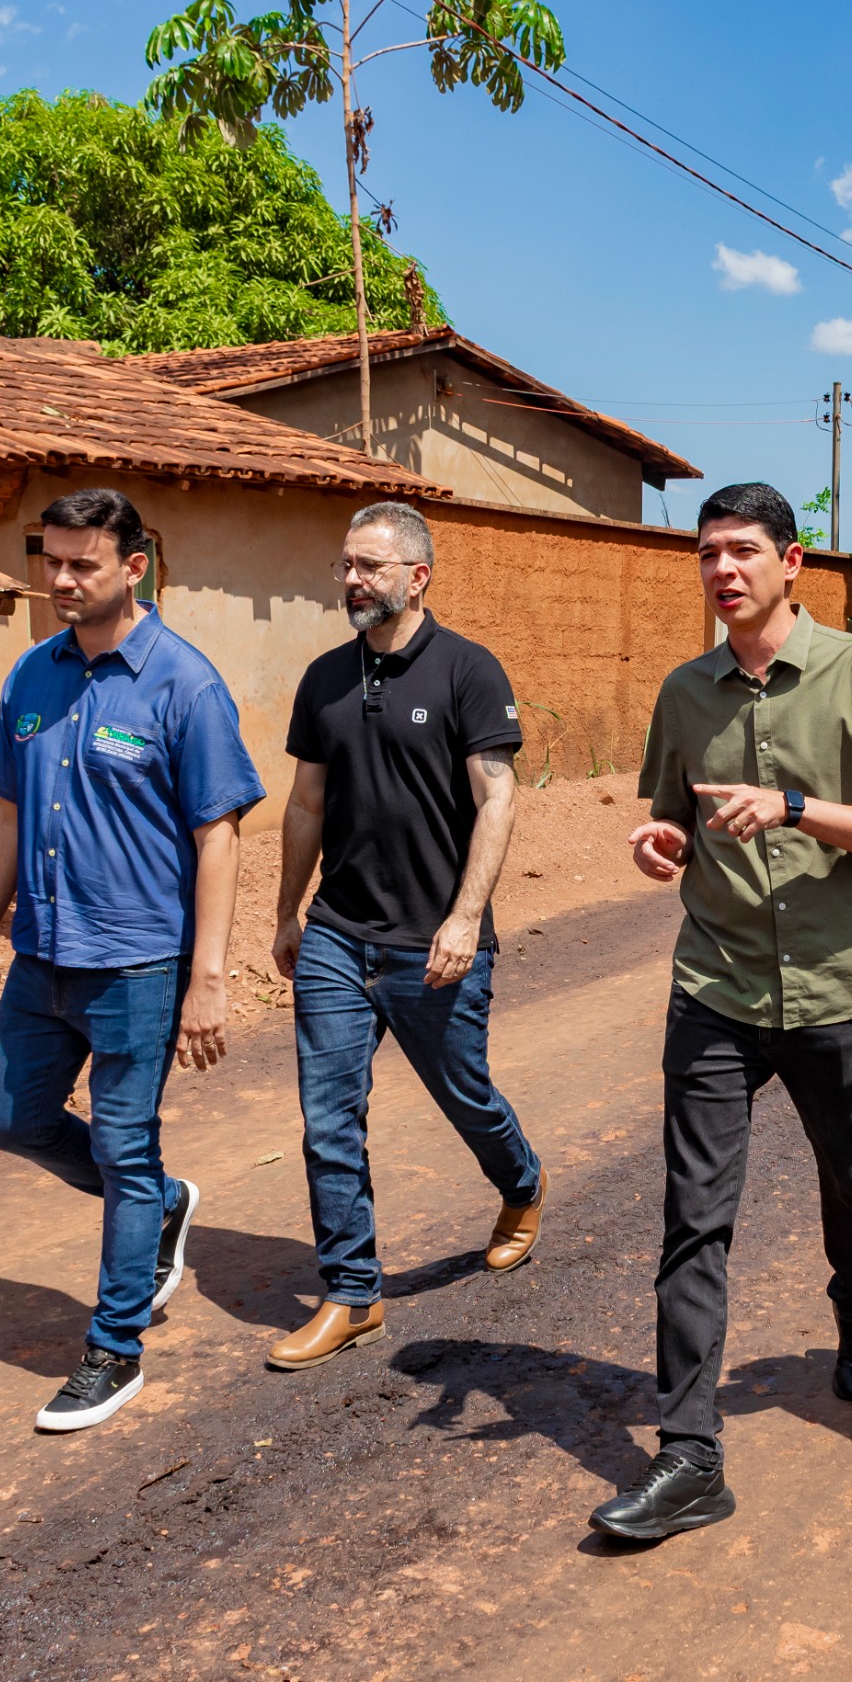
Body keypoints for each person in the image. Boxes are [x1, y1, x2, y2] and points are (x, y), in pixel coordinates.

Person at [588, 481, 852, 1542]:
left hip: (834, 983)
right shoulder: (685, 692)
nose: (722, 570)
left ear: (795, 561)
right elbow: (668, 826)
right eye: (707, 553)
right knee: (693, 1214)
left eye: (742, 550)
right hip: (716, 985)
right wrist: (660, 848)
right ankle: (690, 1452)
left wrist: (791, 803)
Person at [0, 487, 265, 1433]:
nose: (59, 580)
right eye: (49, 560)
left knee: (125, 1142)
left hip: (138, 962)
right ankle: (164, 1206)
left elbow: (219, 835)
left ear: (135, 567)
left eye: (81, 564)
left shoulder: (184, 684)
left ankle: (114, 1346)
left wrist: (208, 977)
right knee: (13, 1122)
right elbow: (9, 811)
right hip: (44, 954)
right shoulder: (31, 676)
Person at [265, 501, 545, 1372]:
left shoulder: (467, 671)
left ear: (417, 576)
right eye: (346, 563)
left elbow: (496, 797)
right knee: (328, 1117)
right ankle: (352, 1293)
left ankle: (521, 1184)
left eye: (370, 567)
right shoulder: (324, 678)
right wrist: (286, 912)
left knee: (462, 1091)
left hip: (434, 944)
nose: (352, 579)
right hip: (340, 936)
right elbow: (307, 803)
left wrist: (465, 918)